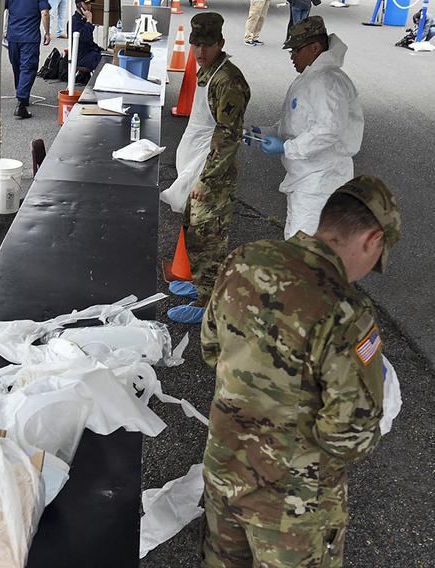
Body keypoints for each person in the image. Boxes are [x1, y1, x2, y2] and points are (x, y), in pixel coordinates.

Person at [200, 175, 400, 568]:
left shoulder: (245, 259)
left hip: (224, 471)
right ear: (373, 239)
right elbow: (348, 438)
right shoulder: (347, 313)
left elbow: (211, 348)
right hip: (293, 507)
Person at [159, 12, 250, 325]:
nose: (200, 50)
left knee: (209, 237)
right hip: (198, 168)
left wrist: (207, 181)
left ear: (221, 43)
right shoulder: (207, 72)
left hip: (212, 174)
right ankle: (199, 283)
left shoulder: (228, 81)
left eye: (208, 44)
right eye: (196, 43)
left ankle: (207, 300)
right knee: (194, 230)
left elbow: (228, 137)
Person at [251, 16, 363, 239]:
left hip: (321, 181)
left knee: (305, 248)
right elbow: (299, 123)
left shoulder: (327, 81)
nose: (292, 57)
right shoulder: (312, 77)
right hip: (308, 178)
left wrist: (287, 148)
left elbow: (329, 130)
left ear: (314, 47)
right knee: (301, 243)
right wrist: (267, 133)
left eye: (295, 50)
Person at [5, 0, 51, 119]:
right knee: (28, 68)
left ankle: (21, 93)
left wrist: (2, 30)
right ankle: (21, 100)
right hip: (29, 37)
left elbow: (1, 9)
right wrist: (47, 32)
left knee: (16, 65)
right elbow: (44, 12)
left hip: (13, 36)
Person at [71, 0, 103, 79]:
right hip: (81, 57)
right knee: (106, 63)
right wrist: (89, 21)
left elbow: (90, 42)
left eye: (89, 3)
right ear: (79, 5)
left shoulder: (83, 19)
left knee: (108, 56)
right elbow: (85, 38)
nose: (89, 6)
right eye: (86, 3)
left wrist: (101, 49)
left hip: (89, 53)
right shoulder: (74, 21)